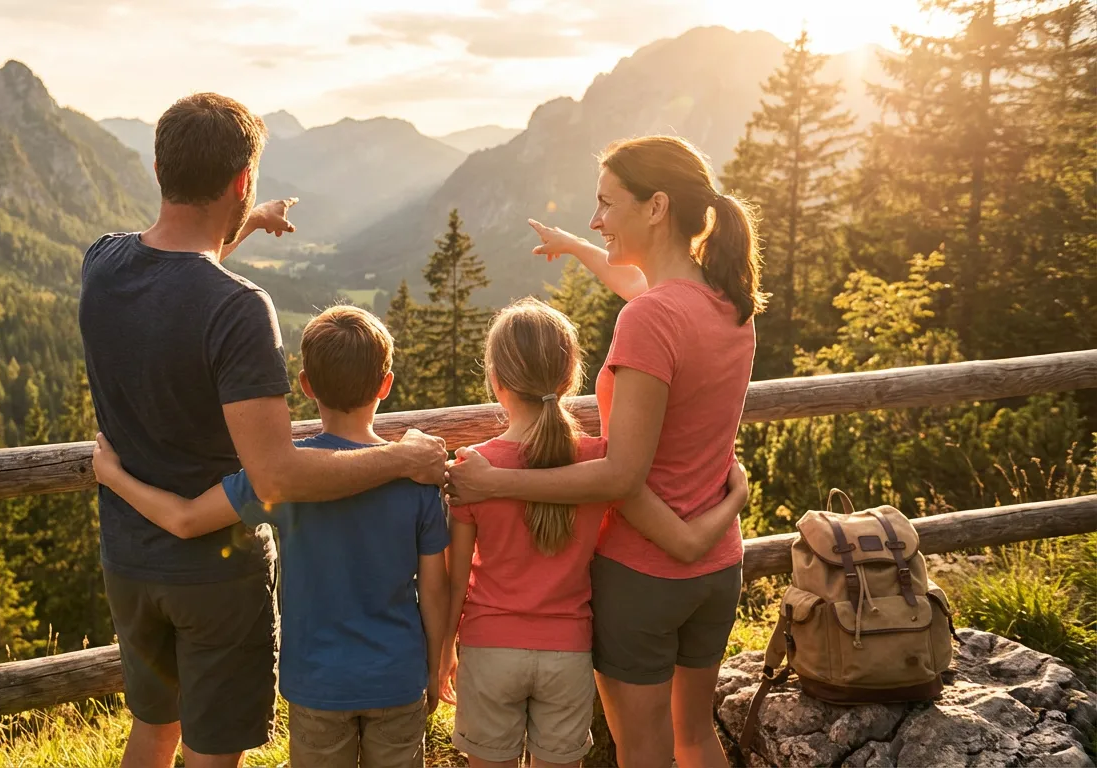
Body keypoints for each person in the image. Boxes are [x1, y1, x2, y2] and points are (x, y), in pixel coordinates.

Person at [79, 93, 447, 768]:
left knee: (153, 730)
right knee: (212, 751)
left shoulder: (101, 263)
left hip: (128, 558)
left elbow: (173, 272)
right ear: (243, 179)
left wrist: (246, 221)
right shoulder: (239, 308)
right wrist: (403, 460)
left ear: (159, 168)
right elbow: (275, 474)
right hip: (214, 578)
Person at [446, 135, 765, 768]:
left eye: (607, 204)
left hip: (645, 576)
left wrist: (497, 483)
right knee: (695, 737)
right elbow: (640, 286)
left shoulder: (649, 319)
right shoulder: (729, 302)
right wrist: (575, 247)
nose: (597, 219)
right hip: (716, 567)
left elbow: (621, 474)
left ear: (656, 207)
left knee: (642, 749)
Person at [92, 305, 450, 768]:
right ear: (386, 384)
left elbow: (184, 520)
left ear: (305, 385)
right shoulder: (417, 480)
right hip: (397, 678)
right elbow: (435, 590)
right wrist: (435, 666)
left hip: (317, 685)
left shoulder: (282, 478)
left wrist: (114, 477)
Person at [441, 299, 748, 768]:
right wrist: (735, 498)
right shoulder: (601, 464)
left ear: (497, 381)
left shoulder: (472, 469)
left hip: (489, 649)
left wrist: (444, 649)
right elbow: (679, 536)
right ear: (569, 379)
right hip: (568, 653)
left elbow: (456, 580)